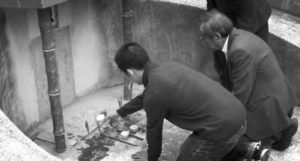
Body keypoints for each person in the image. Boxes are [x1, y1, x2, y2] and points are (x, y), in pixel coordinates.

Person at [110, 42, 246, 161]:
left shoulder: (154, 91)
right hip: (239, 116)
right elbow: (146, 96)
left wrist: (151, 157)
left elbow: (154, 131)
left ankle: (235, 150)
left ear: (130, 72)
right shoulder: (167, 67)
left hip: (223, 130)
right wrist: (121, 112)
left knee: (187, 155)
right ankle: (239, 151)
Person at [199, 10, 298, 161]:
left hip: (268, 100)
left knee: (230, 143)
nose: (204, 42)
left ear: (218, 37)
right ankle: (282, 126)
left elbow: (241, 95)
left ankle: (285, 127)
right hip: (274, 92)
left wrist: (224, 121)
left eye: (204, 38)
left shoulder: (239, 50)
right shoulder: (239, 36)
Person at [206, 0, 271, 43]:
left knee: (251, 56)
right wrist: (212, 18)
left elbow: (247, 9)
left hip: (252, 17)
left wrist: (231, 39)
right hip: (228, 13)